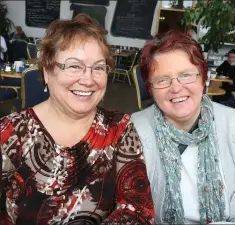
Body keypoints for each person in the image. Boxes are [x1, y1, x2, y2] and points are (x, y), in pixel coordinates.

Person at [0, 15, 155, 224]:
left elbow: (138, 209)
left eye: (99, 68)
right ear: (47, 72)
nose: (88, 80)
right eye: (74, 66)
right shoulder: (10, 132)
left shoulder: (119, 129)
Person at [131, 30, 235, 224]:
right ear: (150, 88)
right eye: (162, 80)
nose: (176, 88)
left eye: (186, 75)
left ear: (203, 78)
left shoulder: (233, 123)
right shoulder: (133, 131)